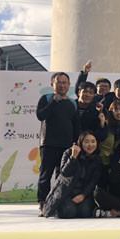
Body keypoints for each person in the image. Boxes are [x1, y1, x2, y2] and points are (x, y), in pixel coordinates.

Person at [36, 72, 81, 217]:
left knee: (61, 176)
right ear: (52, 84)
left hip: (66, 146)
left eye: (64, 82)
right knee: (45, 175)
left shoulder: (73, 103)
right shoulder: (46, 98)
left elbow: (76, 125)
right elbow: (40, 115)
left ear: (69, 85)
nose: (62, 85)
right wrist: (54, 102)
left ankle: (56, 203)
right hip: (48, 144)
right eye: (59, 82)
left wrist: (76, 143)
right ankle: (43, 203)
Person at [43, 131, 103, 218]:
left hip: (83, 193)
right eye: (86, 142)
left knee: (85, 212)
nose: (90, 145)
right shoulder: (69, 152)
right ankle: (57, 209)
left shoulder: (97, 159)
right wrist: (73, 157)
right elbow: (64, 173)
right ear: (80, 143)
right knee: (69, 212)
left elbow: (93, 181)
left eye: (93, 141)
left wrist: (83, 195)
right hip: (66, 192)